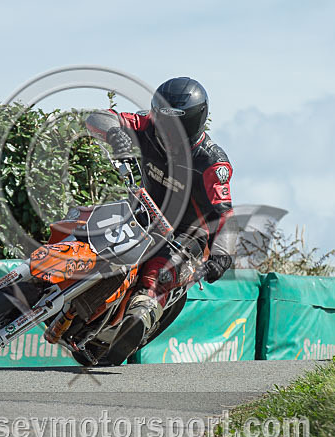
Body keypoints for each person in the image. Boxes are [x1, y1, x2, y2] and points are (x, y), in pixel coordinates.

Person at [85, 76, 238, 361]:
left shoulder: (212, 162)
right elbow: (99, 117)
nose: (167, 131)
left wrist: (222, 256)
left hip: (186, 234)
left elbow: (225, 216)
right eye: (163, 121)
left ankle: (140, 315)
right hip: (141, 214)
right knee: (89, 229)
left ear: (194, 122)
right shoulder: (146, 124)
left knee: (158, 271)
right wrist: (113, 132)